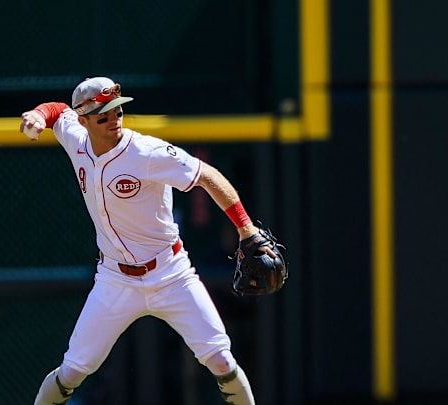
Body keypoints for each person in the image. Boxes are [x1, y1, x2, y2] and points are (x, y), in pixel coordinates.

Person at [20, 77, 275, 405]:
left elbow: (208, 177)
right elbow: (58, 111)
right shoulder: (76, 139)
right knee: (72, 370)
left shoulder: (146, 152)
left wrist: (247, 230)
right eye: (103, 115)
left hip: (171, 273)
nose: (114, 120)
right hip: (115, 279)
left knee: (221, 359)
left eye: (117, 112)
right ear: (84, 121)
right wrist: (39, 115)